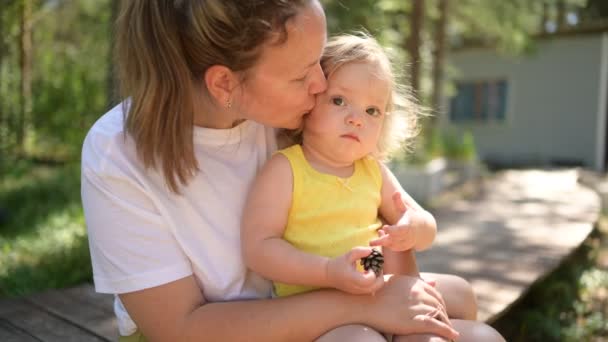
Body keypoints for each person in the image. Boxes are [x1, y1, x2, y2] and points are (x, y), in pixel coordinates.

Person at [81, 0, 498, 340]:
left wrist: (396, 271)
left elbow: (382, 209)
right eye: (303, 75)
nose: (322, 86)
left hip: (336, 298)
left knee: (473, 324)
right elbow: (180, 329)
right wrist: (373, 304)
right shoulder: (116, 152)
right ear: (224, 85)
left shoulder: (296, 115)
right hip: (224, 333)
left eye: (320, 62)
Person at [241, 33, 504, 342]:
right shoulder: (286, 168)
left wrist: (411, 227)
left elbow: (426, 226)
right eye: (339, 101)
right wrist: (327, 271)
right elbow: (258, 248)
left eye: (372, 111)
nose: (356, 120)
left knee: (463, 295)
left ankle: (404, 331)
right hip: (323, 310)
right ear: (309, 103)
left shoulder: (372, 170)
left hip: (381, 287)